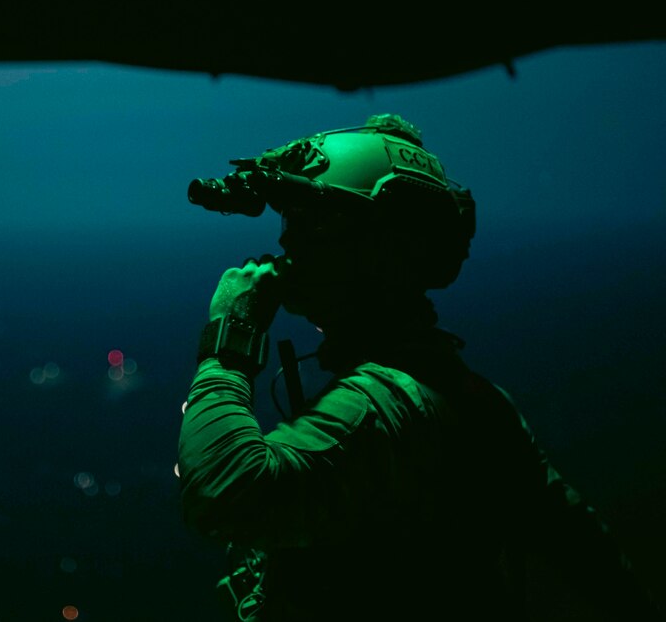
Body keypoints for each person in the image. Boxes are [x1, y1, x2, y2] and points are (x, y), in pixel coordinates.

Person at [178, 115, 661, 621]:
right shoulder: (478, 401)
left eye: (313, 224)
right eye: (290, 222)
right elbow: (586, 554)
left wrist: (229, 342)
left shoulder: (378, 409)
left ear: (383, 249)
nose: (289, 245)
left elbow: (224, 493)